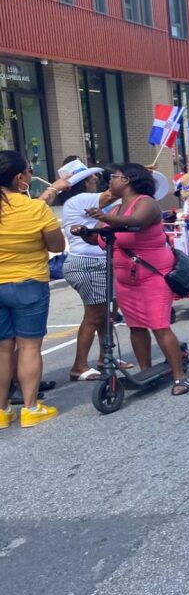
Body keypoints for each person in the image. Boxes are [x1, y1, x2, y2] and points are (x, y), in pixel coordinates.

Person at [84, 163, 189, 395]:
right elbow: (99, 237)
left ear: (128, 180)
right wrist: (84, 231)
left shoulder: (146, 203)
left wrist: (105, 218)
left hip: (152, 276)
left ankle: (179, 376)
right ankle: (146, 371)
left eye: (114, 177)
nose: (110, 181)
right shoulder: (115, 209)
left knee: (159, 326)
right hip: (125, 280)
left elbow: (136, 222)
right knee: (136, 327)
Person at [0, 151, 67, 428]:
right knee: (28, 346)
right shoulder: (35, 209)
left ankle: (2, 411)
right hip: (29, 283)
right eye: (28, 171)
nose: (30, 175)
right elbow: (57, 246)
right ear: (19, 178)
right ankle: (30, 408)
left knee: (3, 349)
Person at [58, 157, 129, 381]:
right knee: (94, 315)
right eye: (92, 176)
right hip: (89, 264)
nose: (97, 178)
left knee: (102, 315)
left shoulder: (77, 201)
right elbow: (114, 194)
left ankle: (105, 357)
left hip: (91, 262)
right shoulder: (82, 199)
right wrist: (132, 178)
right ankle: (79, 366)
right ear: (83, 181)